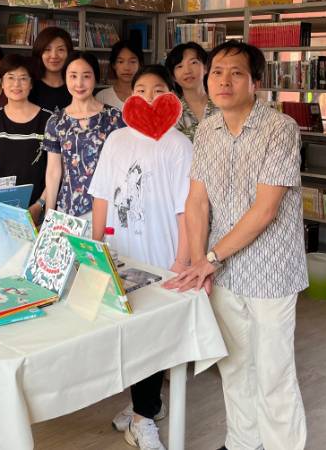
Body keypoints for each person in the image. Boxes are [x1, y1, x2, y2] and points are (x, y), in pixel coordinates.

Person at [165, 40, 309, 450]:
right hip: (222, 270)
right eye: (217, 72)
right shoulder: (207, 130)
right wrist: (199, 262)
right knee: (234, 364)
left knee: (274, 371)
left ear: (255, 82)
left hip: (271, 270)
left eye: (236, 73)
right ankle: (243, 443)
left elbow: (265, 210)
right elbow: (197, 201)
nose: (224, 81)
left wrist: (208, 259)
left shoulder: (280, 129)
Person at [89, 65, 192, 450]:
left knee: (151, 338)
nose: (149, 96)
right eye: (141, 89)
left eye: (158, 89)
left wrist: (182, 260)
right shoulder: (116, 139)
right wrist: (95, 247)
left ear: (171, 96)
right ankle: (144, 405)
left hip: (160, 258)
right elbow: (101, 195)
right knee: (128, 335)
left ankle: (143, 418)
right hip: (121, 254)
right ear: (130, 97)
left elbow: (186, 209)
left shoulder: (179, 145)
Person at [43, 52, 124, 220]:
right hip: (68, 208)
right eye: (73, 76)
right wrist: (49, 215)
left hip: (107, 207)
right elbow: (53, 172)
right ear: (65, 78)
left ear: (95, 78)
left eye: (86, 76)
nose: (79, 83)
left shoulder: (114, 117)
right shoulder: (56, 121)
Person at [0, 54, 51, 221]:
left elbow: (55, 172)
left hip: (37, 212)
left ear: (31, 84)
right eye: (10, 77)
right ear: (1, 82)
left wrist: (39, 205)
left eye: (23, 78)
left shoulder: (48, 120)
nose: (16, 84)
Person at [165, 42, 217, 142]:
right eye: (179, 66)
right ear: (173, 77)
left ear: (206, 68)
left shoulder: (223, 105)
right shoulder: (170, 113)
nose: (187, 71)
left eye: (193, 63)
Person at [29, 26, 74, 113]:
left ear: (69, 53)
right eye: (47, 49)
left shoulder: (77, 86)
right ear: (39, 53)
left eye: (60, 49)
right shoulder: (29, 86)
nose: (54, 56)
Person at [95, 39, 143, 109]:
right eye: (120, 62)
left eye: (132, 62)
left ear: (140, 65)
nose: (126, 68)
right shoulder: (102, 97)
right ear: (113, 65)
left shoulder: (147, 96)